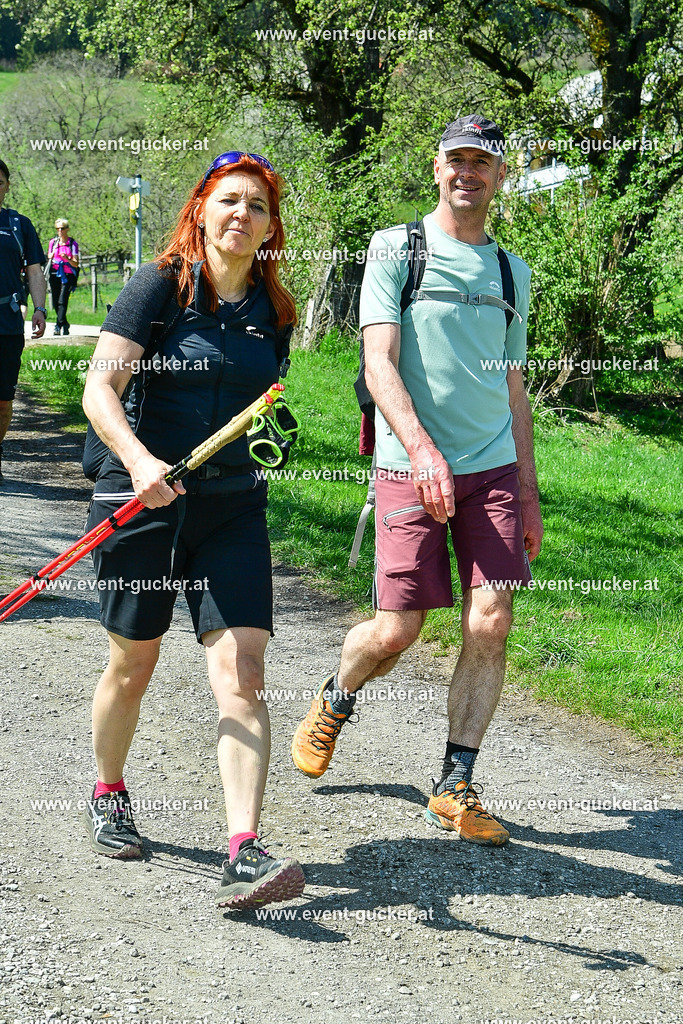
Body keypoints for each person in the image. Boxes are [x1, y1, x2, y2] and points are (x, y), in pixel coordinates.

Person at [291, 115, 544, 846]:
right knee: (398, 630)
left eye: (483, 163)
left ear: (501, 176)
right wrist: (423, 451)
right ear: (436, 169)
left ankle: (455, 784)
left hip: (491, 467)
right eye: (455, 160)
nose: (468, 172)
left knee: (489, 620)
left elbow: (512, 383)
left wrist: (525, 488)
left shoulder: (509, 271)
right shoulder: (395, 249)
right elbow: (378, 362)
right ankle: (335, 699)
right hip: (409, 463)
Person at [81, 152, 305, 909]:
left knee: (243, 674)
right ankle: (108, 790)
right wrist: (140, 462)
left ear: (272, 226)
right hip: (140, 500)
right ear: (201, 210)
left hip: (231, 505)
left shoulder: (276, 312)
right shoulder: (159, 287)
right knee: (132, 666)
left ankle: (244, 849)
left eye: (258, 207)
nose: (241, 215)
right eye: (228, 201)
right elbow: (100, 387)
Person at [0, 158, 47, 482]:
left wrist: (40, 309)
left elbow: (33, 271)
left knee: (3, 402)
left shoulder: (19, 225)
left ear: (7, 186)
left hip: (6, 323)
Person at [47, 218, 79, 335]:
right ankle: (64, 323)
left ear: (67, 229)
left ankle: (58, 324)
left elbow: (76, 263)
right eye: (58, 228)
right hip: (55, 273)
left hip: (68, 275)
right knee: (56, 301)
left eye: (62, 228)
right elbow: (49, 256)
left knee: (62, 300)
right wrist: (51, 254)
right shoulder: (53, 243)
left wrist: (67, 258)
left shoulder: (72, 244)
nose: (60, 231)